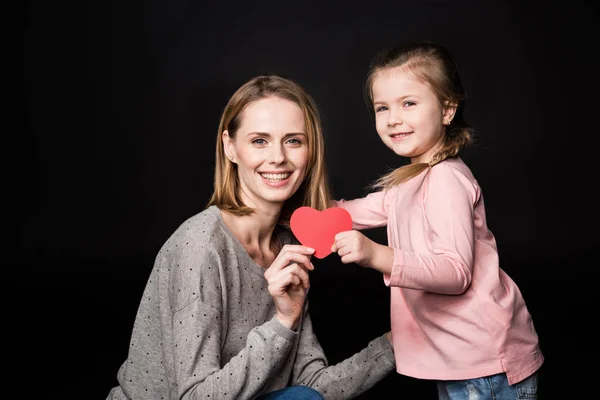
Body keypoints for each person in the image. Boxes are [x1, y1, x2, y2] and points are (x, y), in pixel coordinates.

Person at [106, 74, 395, 400]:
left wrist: (395, 345)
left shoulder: (288, 246)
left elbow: (311, 385)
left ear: (310, 150)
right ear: (230, 147)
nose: (277, 158)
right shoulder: (202, 247)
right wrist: (283, 321)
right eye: (260, 141)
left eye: (293, 141)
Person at [330, 41, 544, 399]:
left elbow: (455, 272)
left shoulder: (447, 179)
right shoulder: (411, 180)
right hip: (461, 362)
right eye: (383, 108)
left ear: (447, 109)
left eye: (408, 103)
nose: (394, 118)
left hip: (486, 366)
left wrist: (375, 255)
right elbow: (353, 211)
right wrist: (302, 213)